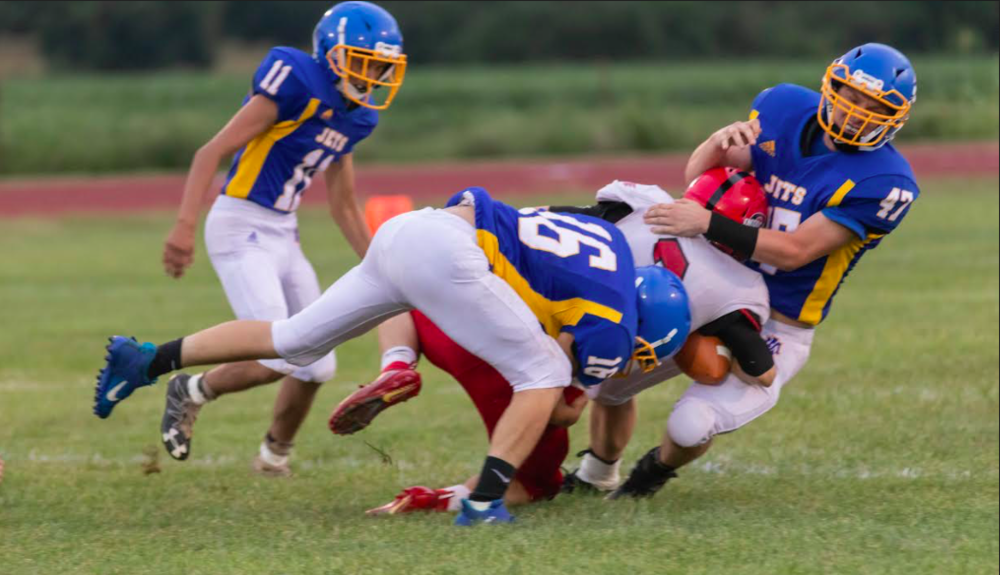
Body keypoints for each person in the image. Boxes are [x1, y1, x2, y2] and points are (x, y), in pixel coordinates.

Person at [93, 186, 689, 526]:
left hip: (412, 228)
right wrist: (571, 382)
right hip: (451, 256)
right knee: (543, 374)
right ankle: (484, 499)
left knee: (295, 338)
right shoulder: (614, 329)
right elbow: (556, 407)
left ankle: (148, 360)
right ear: (646, 336)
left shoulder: (611, 247)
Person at [333, 171, 771, 512]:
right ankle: (444, 500)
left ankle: (397, 363)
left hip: (454, 307)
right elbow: (563, 408)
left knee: (404, 288)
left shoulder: (641, 210)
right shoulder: (632, 323)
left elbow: (544, 217)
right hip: (504, 360)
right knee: (537, 478)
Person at [626, 43, 920, 497]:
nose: (857, 113)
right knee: (607, 382)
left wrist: (708, 223)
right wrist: (717, 143)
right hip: (713, 285)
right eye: (851, 96)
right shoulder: (782, 108)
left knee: (690, 425)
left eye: (875, 107)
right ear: (831, 87)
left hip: (780, 320)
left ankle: (651, 472)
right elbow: (701, 181)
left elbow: (796, 251)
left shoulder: (885, 181)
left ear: (895, 118)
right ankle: (596, 470)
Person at [148, 1, 407, 475]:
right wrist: (184, 225)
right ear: (332, 54)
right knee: (280, 351)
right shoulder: (296, 81)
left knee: (317, 364)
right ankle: (192, 390)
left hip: (284, 233)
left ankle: (273, 457)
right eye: (363, 61)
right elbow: (210, 151)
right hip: (239, 223)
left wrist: (386, 266)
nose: (371, 75)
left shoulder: (356, 116)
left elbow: (344, 205)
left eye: (379, 67)